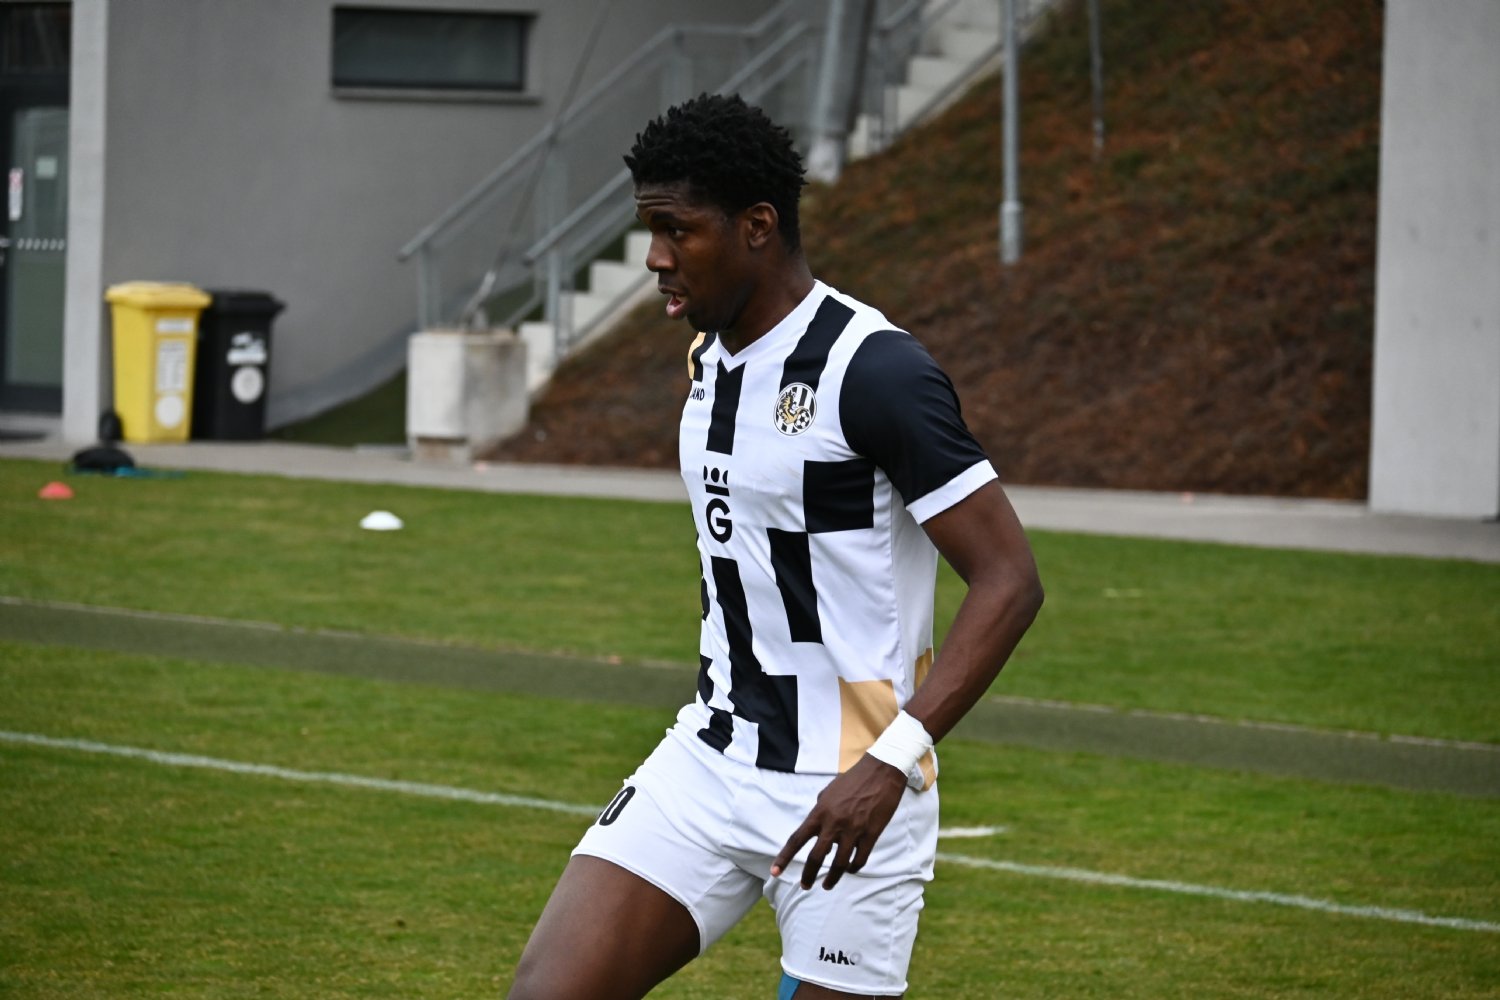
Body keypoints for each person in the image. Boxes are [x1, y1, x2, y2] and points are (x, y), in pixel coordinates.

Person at [508, 92, 1044, 1000]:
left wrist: (891, 762)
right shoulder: (708, 357)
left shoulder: (875, 371)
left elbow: (1009, 580)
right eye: (650, 229)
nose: (655, 257)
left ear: (757, 226)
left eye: (678, 230)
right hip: (709, 758)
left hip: (854, 785)